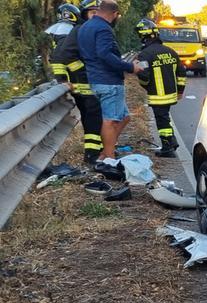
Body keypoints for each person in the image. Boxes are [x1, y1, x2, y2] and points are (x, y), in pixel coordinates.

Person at [77, 0, 142, 176]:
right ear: (114, 14)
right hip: (108, 82)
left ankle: (106, 151)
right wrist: (130, 68)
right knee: (110, 120)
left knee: (124, 117)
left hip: (95, 79)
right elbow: (105, 54)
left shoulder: (85, 27)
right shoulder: (104, 28)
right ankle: (108, 159)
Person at [49, 2, 104, 165]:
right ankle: (92, 155)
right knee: (93, 118)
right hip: (83, 85)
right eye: (92, 13)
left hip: (82, 84)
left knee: (92, 118)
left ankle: (95, 151)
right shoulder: (72, 32)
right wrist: (65, 79)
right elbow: (59, 59)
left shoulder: (65, 31)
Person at [134, 18, 184, 158]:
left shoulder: (145, 54)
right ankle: (171, 142)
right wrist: (180, 91)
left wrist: (145, 86)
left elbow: (144, 77)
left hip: (157, 95)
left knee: (162, 121)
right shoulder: (170, 51)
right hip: (171, 94)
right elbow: (181, 73)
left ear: (143, 36)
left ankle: (168, 148)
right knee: (165, 118)